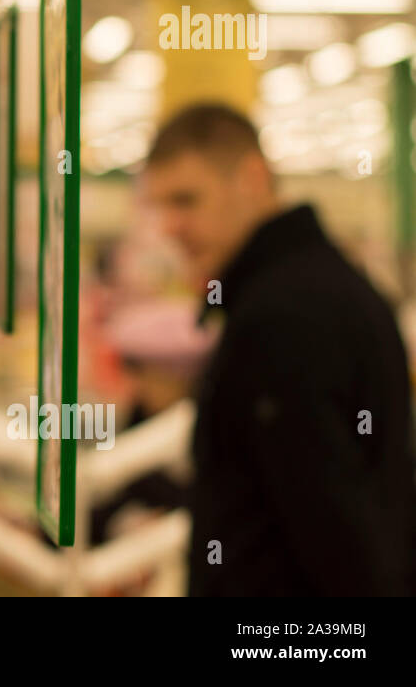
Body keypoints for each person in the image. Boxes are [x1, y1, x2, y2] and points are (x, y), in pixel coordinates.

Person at [142, 102, 416, 596]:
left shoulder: (283, 319)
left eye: (186, 201)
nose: (170, 227)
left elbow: (336, 535)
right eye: (162, 206)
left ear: (251, 179)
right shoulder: (314, 285)